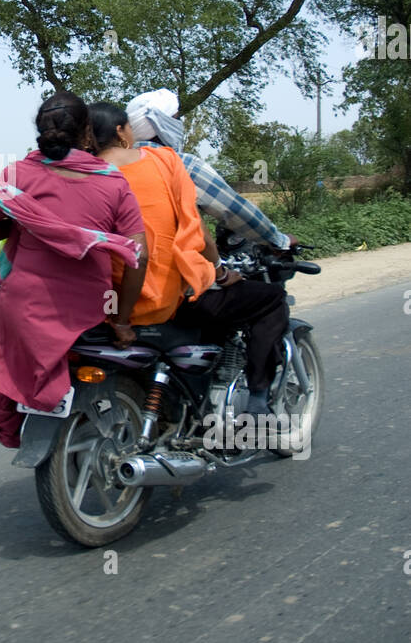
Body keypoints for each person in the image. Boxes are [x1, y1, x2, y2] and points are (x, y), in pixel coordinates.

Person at [0, 91, 147, 448]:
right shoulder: (112, 181)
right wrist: (122, 321)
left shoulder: (16, 175)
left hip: (21, 311)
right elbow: (139, 254)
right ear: (87, 133)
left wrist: (21, 225)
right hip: (90, 312)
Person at [90, 103, 289, 414]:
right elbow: (202, 226)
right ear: (120, 131)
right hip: (163, 300)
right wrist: (222, 272)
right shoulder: (167, 160)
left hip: (100, 305)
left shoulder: (77, 173)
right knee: (271, 297)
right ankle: (258, 401)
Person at [125, 89, 297, 254]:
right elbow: (233, 209)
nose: (179, 124)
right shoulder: (182, 164)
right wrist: (278, 240)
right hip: (172, 271)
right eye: (175, 119)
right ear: (162, 124)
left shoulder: (112, 164)